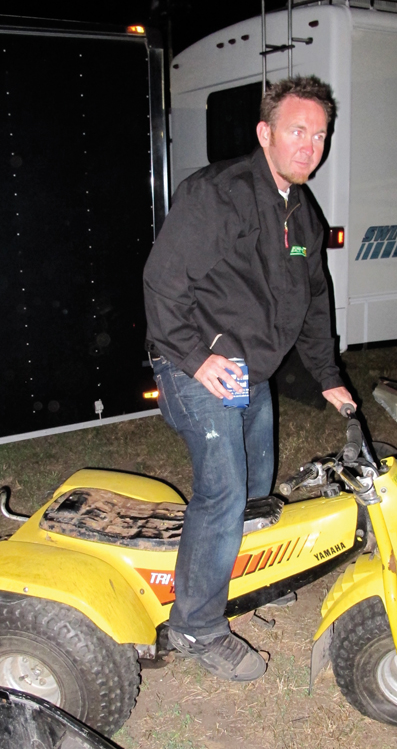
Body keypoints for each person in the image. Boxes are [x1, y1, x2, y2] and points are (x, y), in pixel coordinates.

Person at [143, 75, 354, 683]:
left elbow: (315, 297)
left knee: (259, 484)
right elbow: (162, 282)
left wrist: (327, 376)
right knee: (225, 490)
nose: (310, 145)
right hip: (192, 365)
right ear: (265, 133)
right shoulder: (220, 194)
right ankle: (195, 625)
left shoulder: (300, 210)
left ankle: (252, 579)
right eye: (297, 130)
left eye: (320, 135)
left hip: (249, 372)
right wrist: (196, 358)